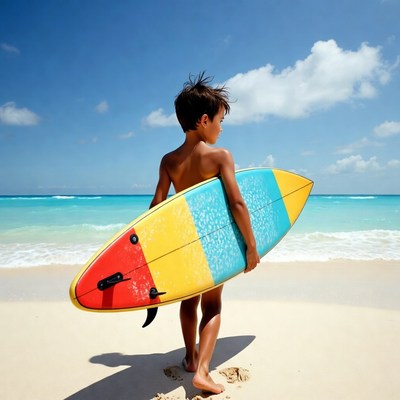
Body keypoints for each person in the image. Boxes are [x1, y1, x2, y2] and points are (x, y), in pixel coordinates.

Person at [150, 72, 260, 394]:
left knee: (189, 300)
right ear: (203, 120)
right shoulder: (220, 156)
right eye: (219, 120)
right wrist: (250, 247)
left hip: (186, 243)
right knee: (212, 305)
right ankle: (202, 371)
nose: (221, 128)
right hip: (214, 242)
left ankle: (188, 356)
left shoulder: (169, 161)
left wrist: (153, 249)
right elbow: (237, 203)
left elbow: (157, 206)